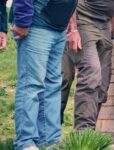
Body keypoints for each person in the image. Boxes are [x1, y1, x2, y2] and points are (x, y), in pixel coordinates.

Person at [11, 0, 77, 149]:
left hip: (59, 28)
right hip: (37, 24)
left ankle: (50, 140)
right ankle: (25, 142)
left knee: (52, 85)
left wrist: (71, 23)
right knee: (32, 84)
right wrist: (22, 21)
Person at [64, 0, 114, 129]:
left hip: (104, 24)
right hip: (83, 19)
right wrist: (73, 29)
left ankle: (90, 133)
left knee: (103, 82)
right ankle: (83, 133)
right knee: (91, 74)